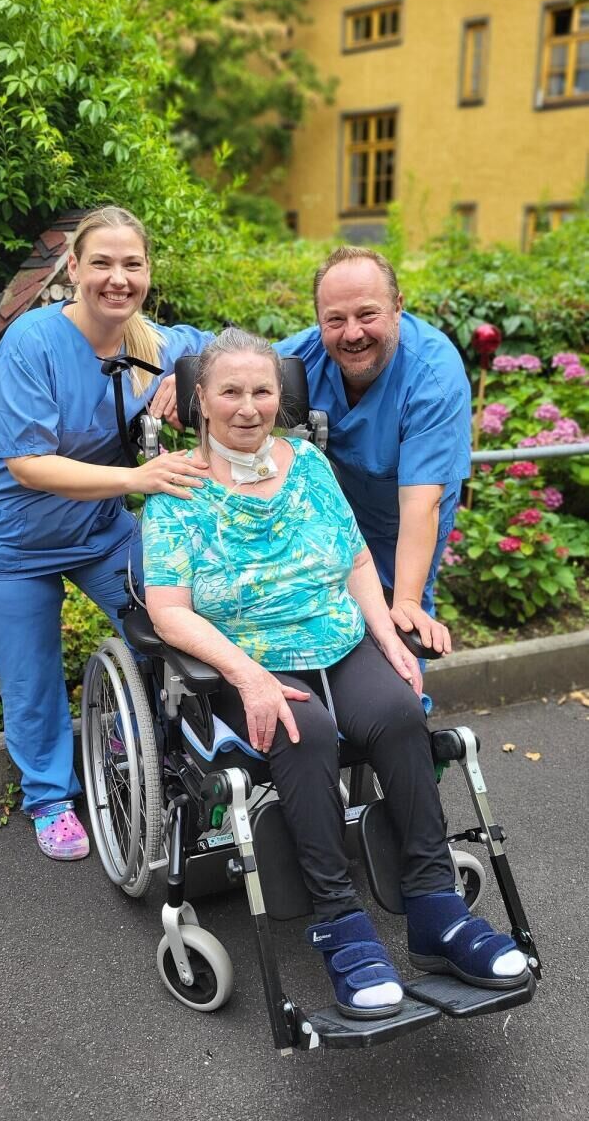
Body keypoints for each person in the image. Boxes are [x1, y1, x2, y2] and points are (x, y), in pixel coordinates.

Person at [142, 329, 529, 1021]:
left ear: (280, 396)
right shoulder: (176, 489)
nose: (248, 406)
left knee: (401, 714)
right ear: (200, 398)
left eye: (262, 391)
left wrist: (387, 637)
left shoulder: (312, 465)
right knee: (306, 732)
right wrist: (247, 676)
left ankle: (436, 910)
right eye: (230, 391)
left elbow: (355, 562)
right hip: (246, 657)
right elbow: (169, 611)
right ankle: (340, 923)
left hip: (338, 642)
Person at [0, 205, 211, 861]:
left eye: (132, 264)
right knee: (32, 678)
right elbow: (28, 465)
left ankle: (133, 737)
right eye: (102, 263)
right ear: (73, 269)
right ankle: (48, 797)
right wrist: (138, 480)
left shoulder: (152, 344)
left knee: (175, 624)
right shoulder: (33, 341)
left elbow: (235, 350)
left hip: (96, 530)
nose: (117, 278)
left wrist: (189, 377)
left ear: (147, 272)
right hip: (8, 543)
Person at [274, 247, 471, 655]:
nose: (352, 333)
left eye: (367, 315)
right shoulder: (304, 355)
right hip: (337, 517)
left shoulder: (433, 375)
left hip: (405, 523)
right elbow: (236, 367)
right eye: (335, 320)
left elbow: (422, 503)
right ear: (318, 320)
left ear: (397, 307)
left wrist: (407, 601)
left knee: (399, 626)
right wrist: (191, 378)